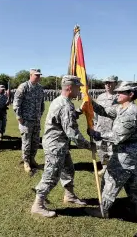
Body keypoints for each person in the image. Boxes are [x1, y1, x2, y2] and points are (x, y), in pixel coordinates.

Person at [31, 75, 93, 218]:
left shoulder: (60, 101)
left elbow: (64, 118)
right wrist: (89, 146)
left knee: (68, 170)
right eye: (78, 87)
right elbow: (72, 133)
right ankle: (38, 205)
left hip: (60, 144)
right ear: (70, 88)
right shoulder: (65, 104)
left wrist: (79, 111)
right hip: (56, 145)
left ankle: (69, 195)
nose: (79, 91)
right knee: (51, 175)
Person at [85, 81, 137, 222]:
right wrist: (90, 101)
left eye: (121, 92)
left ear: (131, 94)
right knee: (133, 182)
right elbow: (104, 111)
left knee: (110, 180)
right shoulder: (122, 108)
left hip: (126, 153)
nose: (117, 94)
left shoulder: (131, 113)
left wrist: (96, 134)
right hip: (128, 151)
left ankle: (103, 210)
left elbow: (117, 137)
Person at [13, 68, 45, 173]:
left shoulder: (40, 88)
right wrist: (19, 116)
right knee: (26, 142)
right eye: (36, 75)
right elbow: (16, 102)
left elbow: (42, 103)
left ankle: (32, 159)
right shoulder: (23, 87)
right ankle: (26, 161)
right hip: (25, 120)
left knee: (35, 142)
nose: (38, 77)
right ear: (30, 75)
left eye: (39, 75)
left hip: (36, 119)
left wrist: (40, 113)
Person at [93, 76, 118, 177]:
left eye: (110, 83)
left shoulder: (119, 97)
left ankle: (112, 170)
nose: (107, 85)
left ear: (115, 84)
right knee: (102, 151)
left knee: (112, 151)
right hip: (100, 130)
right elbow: (95, 114)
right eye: (106, 83)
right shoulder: (100, 97)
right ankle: (104, 168)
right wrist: (94, 125)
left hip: (113, 130)